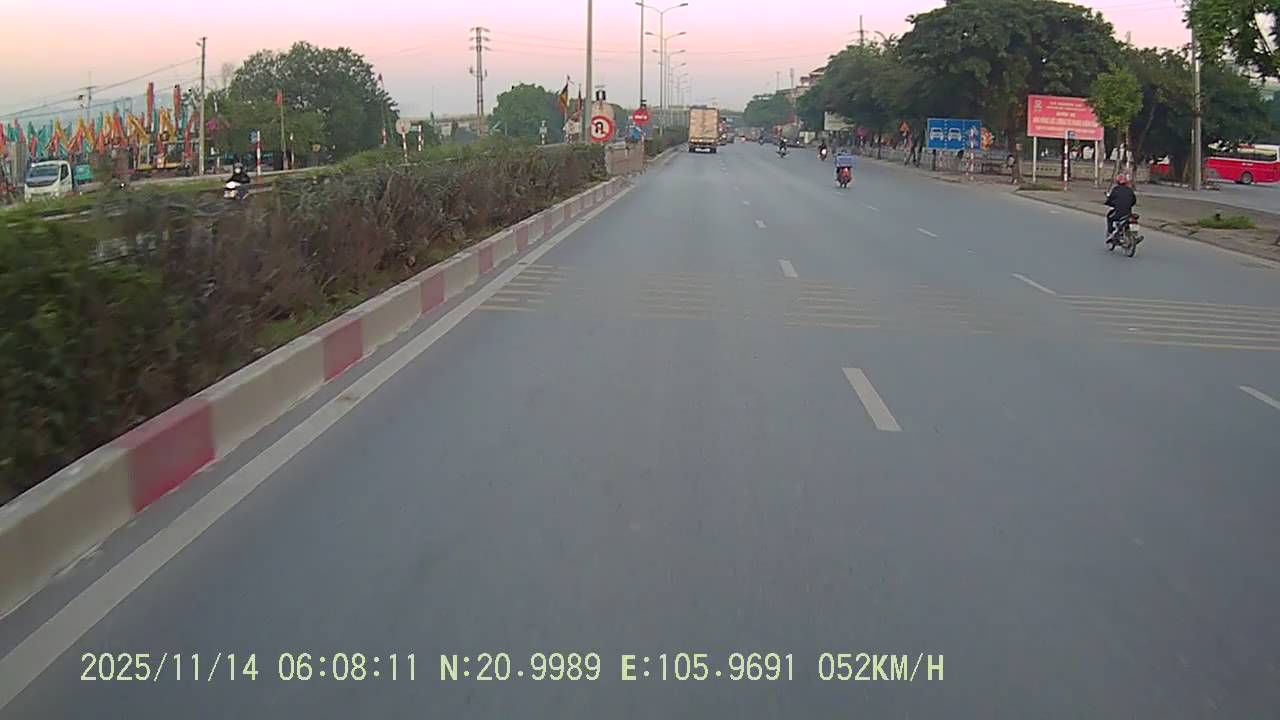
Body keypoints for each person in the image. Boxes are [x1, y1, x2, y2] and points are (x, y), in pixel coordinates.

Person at [1104, 173, 1138, 242]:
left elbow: (1110, 200)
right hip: (1128, 213)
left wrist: (1108, 203)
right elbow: (1134, 201)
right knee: (1133, 220)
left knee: (1109, 217)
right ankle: (1134, 236)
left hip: (1118, 213)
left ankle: (1111, 231)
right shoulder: (1130, 190)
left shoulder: (1115, 190)